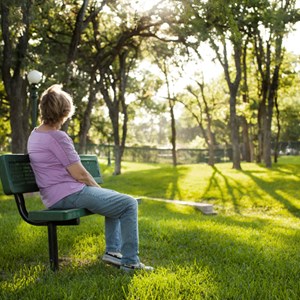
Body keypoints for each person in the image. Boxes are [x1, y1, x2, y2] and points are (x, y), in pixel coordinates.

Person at [27, 84, 153, 272]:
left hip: (54, 195)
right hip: (67, 194)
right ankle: (130, 262)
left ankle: (113, 252)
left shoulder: (35, 134)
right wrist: (98, 190)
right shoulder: (57, 137)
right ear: (64, 111)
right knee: (128, 204)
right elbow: (81, 174)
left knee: (117, 200)